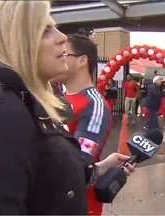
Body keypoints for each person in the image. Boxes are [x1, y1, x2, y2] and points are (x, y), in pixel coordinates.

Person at [0, 1, 135, 214]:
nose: (63, 37)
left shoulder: (34, 99)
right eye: (46, 31)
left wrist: (100, 167)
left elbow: (50, 175)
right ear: (17, 43)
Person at [54, 33, 113, 215]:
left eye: (65, 54)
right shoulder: (57, 96)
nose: (59, 58)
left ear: (82, 61)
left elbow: (79, 166)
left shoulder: (94, 105)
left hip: (79, 206)